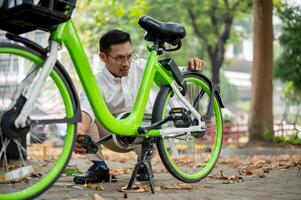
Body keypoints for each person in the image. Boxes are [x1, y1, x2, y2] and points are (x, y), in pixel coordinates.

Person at [73, 29, 205, 184]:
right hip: (114, 137)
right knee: (85, 120)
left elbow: (175, 76)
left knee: (151, 121)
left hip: (146, 135)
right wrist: (79, 132)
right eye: (119, 58)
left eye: (129, 56)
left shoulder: (142, 67)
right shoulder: (97, 82)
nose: (126, 64)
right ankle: (99, 166)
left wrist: (191, 67)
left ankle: (144, 162)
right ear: (103, 57)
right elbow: (85, 110)